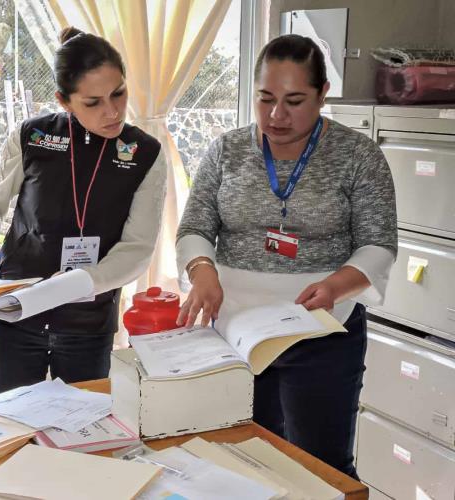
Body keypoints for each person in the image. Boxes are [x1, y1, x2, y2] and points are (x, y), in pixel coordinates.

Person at [175, 34, 397, 478]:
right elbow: (194, 227)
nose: (277, 116)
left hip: (319, 328)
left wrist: (336, 285)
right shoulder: (227, 150)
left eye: (295, 101)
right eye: (266, 99)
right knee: (241, 457)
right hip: (235, 329)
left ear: (322, 95)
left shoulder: (358, 156)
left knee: (319, 465)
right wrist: (202, 271)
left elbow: (378, 243)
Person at [0, 27, 166, 394]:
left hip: (88, 323)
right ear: (64, 101)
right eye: (92, 102)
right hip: (15, 317)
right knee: (14, 425)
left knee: (84, 433)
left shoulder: (145, 153)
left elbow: (137, 249)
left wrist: (74, 283)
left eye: (118, 93)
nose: (112, 111)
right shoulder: (32, 135)